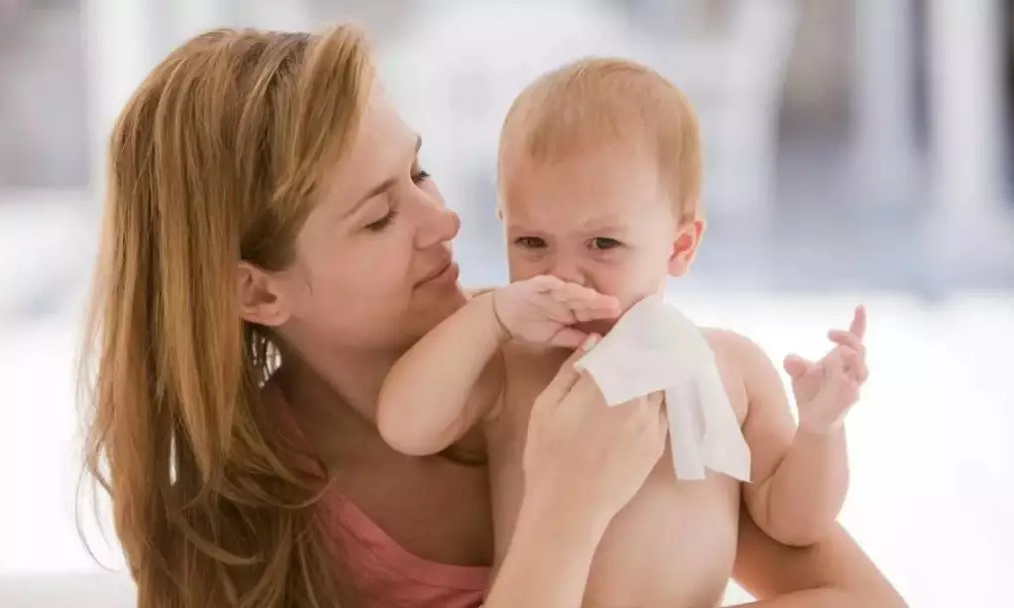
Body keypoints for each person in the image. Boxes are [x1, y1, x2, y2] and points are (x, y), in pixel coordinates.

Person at [80, 25, 906, 608]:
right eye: (379, 217)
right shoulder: (243, 532)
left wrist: (818, 429)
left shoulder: (600, 375)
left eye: (420, 172)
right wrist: (565, 510)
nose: (445, 221)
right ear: (259, 293)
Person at [376, 58, 869, 606]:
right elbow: (405, 425)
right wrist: (490, 316)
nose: (563, 274)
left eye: (603, 245)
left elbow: (795, 523)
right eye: (531, 243)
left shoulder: (731, 370)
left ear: (679, 246)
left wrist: (821, 429)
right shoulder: (513, 363)